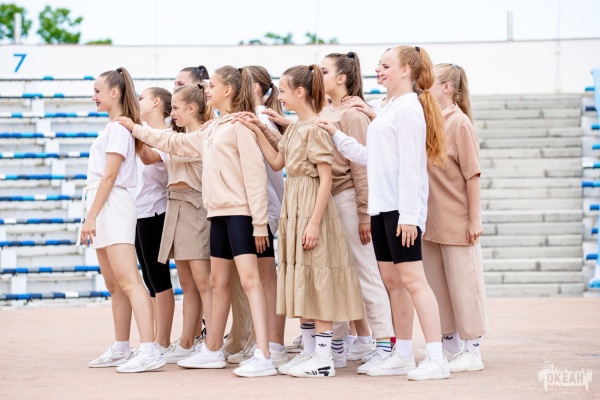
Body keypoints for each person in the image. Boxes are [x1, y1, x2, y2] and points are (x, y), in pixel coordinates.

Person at [120, 66, 276, 378]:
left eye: (212, 85)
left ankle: (264, 354)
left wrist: (259, 223)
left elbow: (255, 176)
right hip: (216, 213)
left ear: (228, 91)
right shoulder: (213, 128)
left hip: (241, 213)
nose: (207, 89)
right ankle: (213, 350)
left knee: (250, 281)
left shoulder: (241, 126)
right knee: (217, 283)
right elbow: (175, 144)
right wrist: (135, 128)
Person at [318, 45, 451, 381]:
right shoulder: (389, 107)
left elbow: (411, 167)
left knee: (414, 282)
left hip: (399, 211)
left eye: (386, 65)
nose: (379, 70)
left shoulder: (409, 109)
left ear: (406, 70)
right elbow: (370, 157)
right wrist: (335, 133)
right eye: (378, 65)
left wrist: (409, 217)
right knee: (392, 282)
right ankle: (402, 355)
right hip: (381, 208)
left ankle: (436, 357)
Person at [234, 64, 364, 378]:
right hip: (294, 207)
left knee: (318, 278)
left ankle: (323, 358)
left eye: (283, 90)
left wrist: (314, 223)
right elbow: (277, 161)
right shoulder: (294, 129)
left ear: (300, 91)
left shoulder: (316, 129)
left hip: (311, 209)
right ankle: (309, 352)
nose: (279, 96)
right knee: (302, 279)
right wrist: (258, 128)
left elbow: (325, 179)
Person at [83, 67, 165, 373]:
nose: (94, 96)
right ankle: (121, 347)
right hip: (103, 201)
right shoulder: (111, 127)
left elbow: (110, 176)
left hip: (114, 203)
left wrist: (91, 217)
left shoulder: (119, 128)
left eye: (97, 91)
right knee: (114, 283)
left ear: (114, 93)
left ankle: (149, 349)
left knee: (129, 280)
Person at [319, 52, 394, 370]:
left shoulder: (353, 113)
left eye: (324, 71)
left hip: (348, 199)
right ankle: (337, 344)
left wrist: (364, 213)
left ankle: (385, 344)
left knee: (366, 273)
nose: (318, 75)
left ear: (341, 78)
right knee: (337, 274)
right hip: (330, 201)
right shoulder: (328, 109)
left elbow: (363, 166)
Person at [135, 84, 214, 364]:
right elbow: (157, 152)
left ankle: (211, 344)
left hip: (194, 205)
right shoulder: (178, 136)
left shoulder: (200, 136)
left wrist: (133, 127)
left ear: (192, 108)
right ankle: (187, 341)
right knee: (189, 283)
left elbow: (165, 147)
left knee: (203, 282)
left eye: (177, 108)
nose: (173, 113)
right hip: (176, 205)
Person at [424, 63, 488, 372]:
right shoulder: (429, 122)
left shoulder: (460, 123)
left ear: (447, 88)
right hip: (430, 220)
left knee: (465, 286)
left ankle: (472, 349)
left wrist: (474, 220)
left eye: (430, 83)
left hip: (457, 220)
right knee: (437, 287)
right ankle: (449, 345)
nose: (424, 88)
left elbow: (472, 175)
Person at [225, 65, 288, 368]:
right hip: (262, 204)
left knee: (265, 277)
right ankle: (264, 341)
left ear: (255, 87)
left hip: (264, 205)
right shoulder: (256, 117)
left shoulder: (260, 118)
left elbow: (270, 164)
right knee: (260, 277)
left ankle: (272, 344)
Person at [132, 87, 174, 355]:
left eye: (141, 98)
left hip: (156, 211)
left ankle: (163, 341)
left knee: (159, 279)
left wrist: (131, 127)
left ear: (156, 102)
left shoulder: (167, 135)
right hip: (140, 212)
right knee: (149, 279)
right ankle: (158, 339)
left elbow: (148, 158)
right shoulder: (145, 133)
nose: (137, 102)